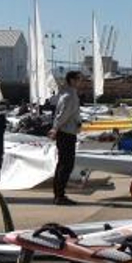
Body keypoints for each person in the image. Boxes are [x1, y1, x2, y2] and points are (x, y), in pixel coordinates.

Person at [50, 70, 82, 205]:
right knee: (66, 165)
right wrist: (55, 128)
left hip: (67, 132)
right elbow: (63, 115)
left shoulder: (67, 94)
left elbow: (68, 114)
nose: (80, 82)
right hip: (66, 133)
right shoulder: (69, 96)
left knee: (63, 164)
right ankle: (59, 195)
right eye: (78, 79)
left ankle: (58, 194)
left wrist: (78, 122)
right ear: (72, 80)